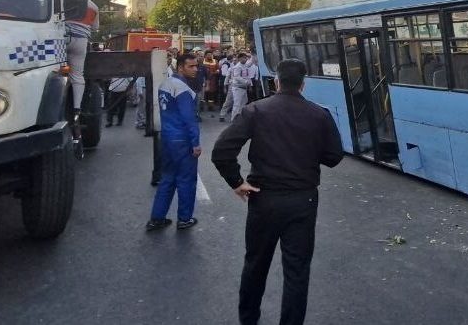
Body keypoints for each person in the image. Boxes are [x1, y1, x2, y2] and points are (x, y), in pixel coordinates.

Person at [211, 58, 344, 325]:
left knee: (255, 265)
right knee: (297, 272)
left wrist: (237, 182)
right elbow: (333, 157)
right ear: (304, 85)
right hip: (303, 201)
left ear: (276, 81)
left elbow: (221, 151)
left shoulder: (256, 111)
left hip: (264, 198)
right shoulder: (319, 115)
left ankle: (248, 319)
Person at [145, 54, 202, 231]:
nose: (195, 69)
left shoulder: (165, 84)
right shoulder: (182, 89)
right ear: (180, 68)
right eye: (191, 66)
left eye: (196, 66)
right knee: (186, 180)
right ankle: (184, 218)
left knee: (167, 179)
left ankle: (157, 218)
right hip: (182, 140)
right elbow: (189, 119)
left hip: (167, 139)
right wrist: (196, 142)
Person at [65, 0, 99, 158]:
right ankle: (76, 108)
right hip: (80, 40)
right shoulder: (93, 5)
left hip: (61, 38)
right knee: (78, 75)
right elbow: (95, 28)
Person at [222, 52, 253, 122]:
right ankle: (234, 119)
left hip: (244, 88)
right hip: (237, 88)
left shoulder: (245, 65)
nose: (245, 59)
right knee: (237, 104)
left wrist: (253, 54)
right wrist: (246, 82)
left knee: (244, 102)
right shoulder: (237, 67)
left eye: (246, 58)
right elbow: (237, 77)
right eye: (243, 58)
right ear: (239, 59)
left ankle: (240, 118)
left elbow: (251, 62)